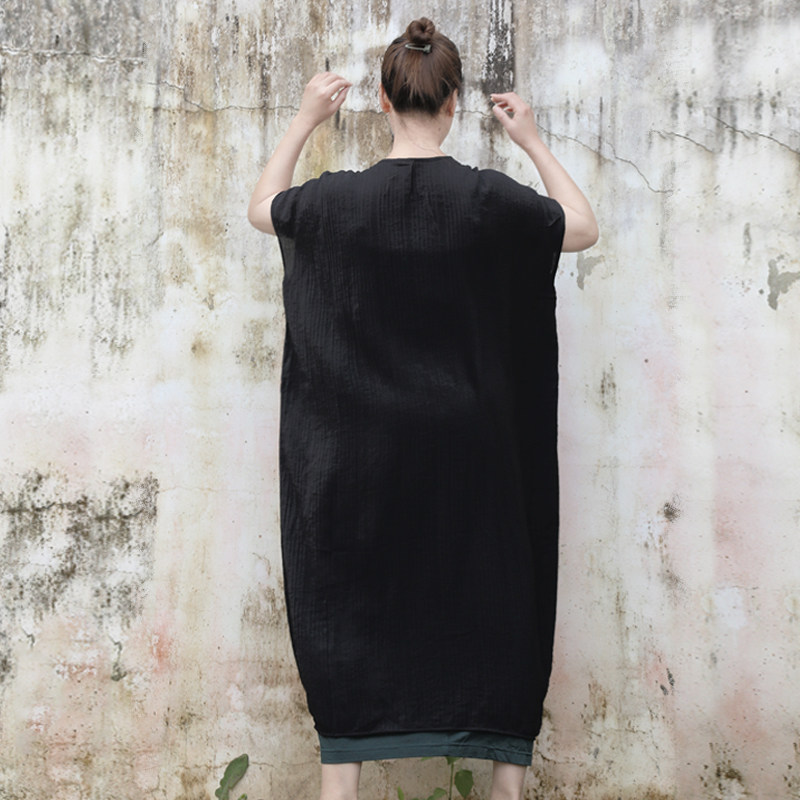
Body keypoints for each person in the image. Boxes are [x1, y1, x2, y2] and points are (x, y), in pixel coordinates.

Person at [247, 17, 598, 800]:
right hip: (472, 458)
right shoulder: (487, 200)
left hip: (359, 460)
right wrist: (532, 142)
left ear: (382, 99)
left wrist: (304, 121)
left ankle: (342, 784)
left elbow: (264, 208)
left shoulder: (336, 201)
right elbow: (580, 227)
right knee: (497, 596)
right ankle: (506, 784)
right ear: (454, 103)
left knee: (348, 601)